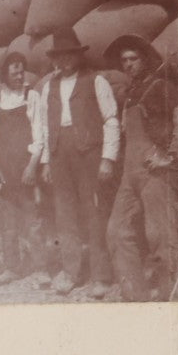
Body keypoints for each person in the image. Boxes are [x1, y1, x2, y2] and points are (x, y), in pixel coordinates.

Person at [104, 34, 178, 302]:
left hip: (154, 173)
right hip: (130, 176)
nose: (128, 65)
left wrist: (170, 156)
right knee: (116, 232)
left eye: (133, 59)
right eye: (124, 61)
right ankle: (135, 297)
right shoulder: (130, 94)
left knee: (160, 236)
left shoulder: (160, 86)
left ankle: (173, 295)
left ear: (145, 59)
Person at [38, 29, 120, 298]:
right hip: (59, 154)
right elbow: (43, 126)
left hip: (89, 153)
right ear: (55, 59)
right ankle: (71, 273)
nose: (64, 60)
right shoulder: (48, 85)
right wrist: (47, 161)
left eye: (69, 55)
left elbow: (110, 119)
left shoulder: (95, 81)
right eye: (59, 56)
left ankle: (101, 276)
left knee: (94, 212)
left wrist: (108, 158)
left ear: (78, 55)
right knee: (65, 214)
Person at [0, 52, 44, 284]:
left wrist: (32, 166)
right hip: (4, 168)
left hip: (25, 166)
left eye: (22, 71)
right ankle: (12, 267)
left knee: (32, 218)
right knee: (7, 219)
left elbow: (39, 134)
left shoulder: (32, 96)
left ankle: (40, 268)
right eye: (14, 72)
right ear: (4, 75)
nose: (20, 76)